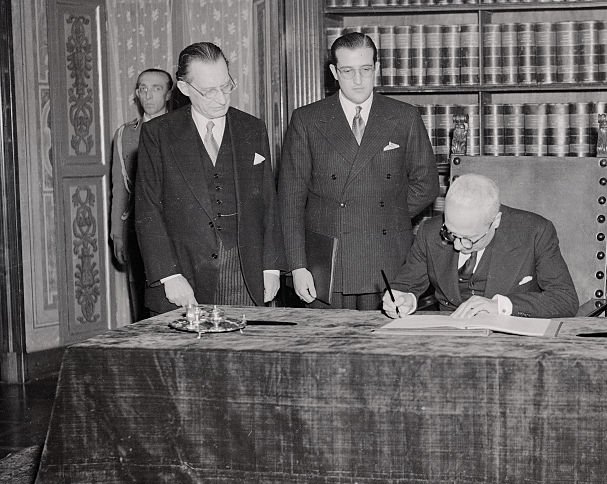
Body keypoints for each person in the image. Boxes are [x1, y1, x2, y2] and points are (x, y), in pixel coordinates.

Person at [278, 31, 438, 310]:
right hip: (328, 261)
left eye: (365, 69)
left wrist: (379, 215)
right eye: (348, 71)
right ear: (334, 72)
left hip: (386, 256)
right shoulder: (307, 119)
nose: (358, 80)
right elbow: (290, 200)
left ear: (376, 68)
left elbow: (426, 185)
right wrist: (297, 266)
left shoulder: (404, 116)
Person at [135, 42, 283, 313]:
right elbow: (148, 210)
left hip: (245, 274)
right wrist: (169, 276)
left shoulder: (253, 128)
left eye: (226, 86)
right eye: (209, 91)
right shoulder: (158, 134)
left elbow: (268, 202)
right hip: (184, 279)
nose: (221, 98)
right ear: (184, 89)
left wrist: (271, 266)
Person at [383, 174, 577, 319]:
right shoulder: (429, 231)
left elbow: (565, 299)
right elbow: (404, 285)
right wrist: (404, 299)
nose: (458, 246)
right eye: (450, 234)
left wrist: (501, 306)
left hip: (510, 340)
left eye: (469, 239)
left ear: (495, 221)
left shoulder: (535, 232)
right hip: (448, 340)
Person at [110, 68, 172, 321]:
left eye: (156, 88)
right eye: (142, 88)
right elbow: (119, 188)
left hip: (173, 229)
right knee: (141, 304)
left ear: (169, 94)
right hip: (137, 229)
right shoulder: (125, 134)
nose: (148, 95)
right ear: (136, 93)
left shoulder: (180, 129)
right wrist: (117, 234)